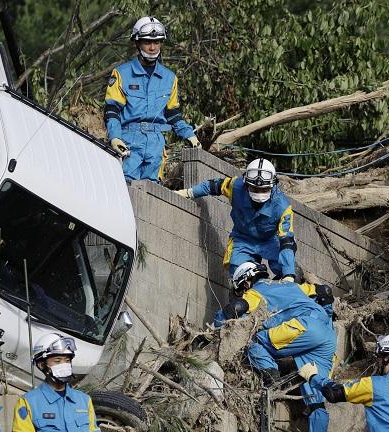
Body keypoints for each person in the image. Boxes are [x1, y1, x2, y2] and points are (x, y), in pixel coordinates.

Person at [217, 261, 335, 432]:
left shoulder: (255, 292)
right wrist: (328, 315)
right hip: (326, 333)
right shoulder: (289, 286)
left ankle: (272, 377)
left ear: (246, 282)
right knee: (316, 394)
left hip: (303, 327)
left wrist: (217, 325)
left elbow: (237, 309)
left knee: (253, 341)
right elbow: (325, 292)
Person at [104, 16, 200, 182]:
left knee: (152, 192)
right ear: (137, 43)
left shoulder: (170, 78)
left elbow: (172, 114)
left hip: (156, 144)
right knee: (126, 185)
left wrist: (189, 134)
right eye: (147, 42)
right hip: (129, 141)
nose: (152, 47)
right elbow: (112, 111)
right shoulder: (121, 74)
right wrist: (115, 137)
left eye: (157, 42)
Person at [177, 158, 297, 281]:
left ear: (273, 185)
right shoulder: (236, 187)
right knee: (238, 271)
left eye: (264, 189)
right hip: (242, 239)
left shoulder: (282, 207)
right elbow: (212, 186)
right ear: (246, 184)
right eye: (255, 189)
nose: (259, 193)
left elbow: (287, 241)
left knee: (287, 269)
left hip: (271, 241)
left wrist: (289, 274)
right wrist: (189, 192)